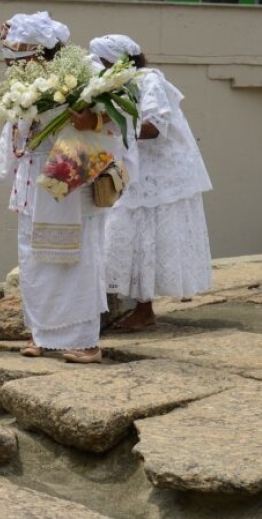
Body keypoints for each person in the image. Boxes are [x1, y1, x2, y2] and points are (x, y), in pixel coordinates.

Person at [0, 12, 113, 363]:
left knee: (77, 260)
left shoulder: (83, 71)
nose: (15, 65)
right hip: (31, 186)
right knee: (34, 262)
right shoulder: (22, 83)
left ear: (39, 52)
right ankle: (42, 335)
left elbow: (119, 117)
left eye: (21, 55)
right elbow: (10, 131)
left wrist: (91, 120)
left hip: (70, 183)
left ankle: (85, 341)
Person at [90, 34, 212, 331]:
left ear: (117, 61)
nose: (99, 68)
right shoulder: (116, 84)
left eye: (102, 62)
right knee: (120, 235)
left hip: (159, 175)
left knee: (144, 238)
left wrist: (106, 131)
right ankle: (106, 309)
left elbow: (154, 126)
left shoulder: (148, 80)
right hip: (133, 170)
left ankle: (144, 311)